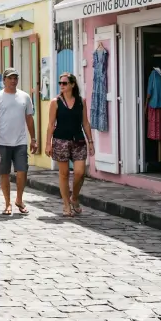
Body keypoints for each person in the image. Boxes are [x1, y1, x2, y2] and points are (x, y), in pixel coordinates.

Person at [45, 73, 94, 217]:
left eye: (65, 83)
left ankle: (74, 197)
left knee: (80, 173)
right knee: (64, 174)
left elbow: (85, 122)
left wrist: (90, 141)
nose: (61, 86)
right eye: (60, 83)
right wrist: (48, 143)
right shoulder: (56, 102)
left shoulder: (81, 101)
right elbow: (51, 124)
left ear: (72, 85)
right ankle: (66, 204)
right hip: (61, 140)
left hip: (78, 140)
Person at [0, 68, 38, 216]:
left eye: (15, 78)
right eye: (10, 78)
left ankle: (19, 199)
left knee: (22, 171)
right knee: (4, 173)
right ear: (4, 80)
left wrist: (33, 139)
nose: (13, 81)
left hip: (20, 142)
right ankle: (7, 203)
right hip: (2, 142)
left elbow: (29, 118)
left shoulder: (25, 97)